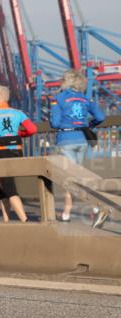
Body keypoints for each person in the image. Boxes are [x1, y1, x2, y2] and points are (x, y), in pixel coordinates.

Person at [50, 69, 105, 223]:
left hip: (65, 139)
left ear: (65, 81)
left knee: (69, 178)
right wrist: (90, 124)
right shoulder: (86, 99)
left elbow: (54, 123)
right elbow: (100, 117)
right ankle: (71, 212)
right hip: (82, 139)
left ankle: (93, 208)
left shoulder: (58, 98)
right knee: (76, 176)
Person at [0, 86, 37, 223]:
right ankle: (6, 220)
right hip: (16, 152)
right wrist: (20, 133)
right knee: (0, 186)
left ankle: (25, 221)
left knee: (9, 188)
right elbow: (32, 129)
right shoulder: (18, 113)